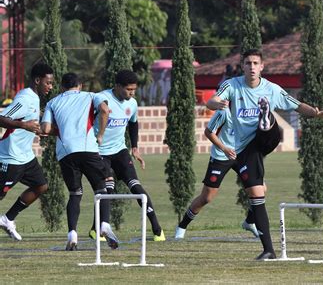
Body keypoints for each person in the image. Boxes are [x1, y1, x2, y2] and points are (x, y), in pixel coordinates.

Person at [206, 49, 323, 260]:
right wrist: (217, 103)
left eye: (255, 63)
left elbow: (296, 105)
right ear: (242, 66)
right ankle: (269, 250)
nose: (251, 67)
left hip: (257, 144)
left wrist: (316, 113)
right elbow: (211, 101)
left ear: (262, 66)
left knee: (268, 128)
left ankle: (267, 119)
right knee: (257, 194)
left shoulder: (272, 89)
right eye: (247, 63)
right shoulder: (231, 85)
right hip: (235, 148)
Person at [41, 72, 119, 251]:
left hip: (65, 153)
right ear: (81, 86)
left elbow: (44, 128)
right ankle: (104, 225)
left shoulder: (53, 102)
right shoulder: (91, 96)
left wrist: (62, 130)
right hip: (87, 149)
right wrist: (100, 135)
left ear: (61, 87)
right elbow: (105, 110)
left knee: (75, 194)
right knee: (104, 186)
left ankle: (72, 235)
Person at [88, 69, 165, 242]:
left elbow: (133, 124)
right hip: (100, 153)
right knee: (107, 190)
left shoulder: (133, 103)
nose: (131, 93)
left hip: (120, 151)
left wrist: (135, 147)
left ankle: (157, 230)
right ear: (117, 86)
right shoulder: (103, 98)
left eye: (134, 90)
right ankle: (99, 231)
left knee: (136, 187)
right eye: (128, 90)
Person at [174, 107, 262, 239]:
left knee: (260, 189)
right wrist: (224, 148)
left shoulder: (251, 109)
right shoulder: (224, 112)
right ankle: (182, 226)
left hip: (242, 155)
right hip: (222, 155)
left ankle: (250, 222)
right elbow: (209, 132)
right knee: (207, 197)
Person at [0, 63, 54, 240]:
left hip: (26, 157)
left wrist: (35, 130)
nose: (50, 87)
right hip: (11, 157)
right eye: (48, 83)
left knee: (41, 185)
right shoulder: (24, 98)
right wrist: (24, 125)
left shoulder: (36, 97)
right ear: (37, 80)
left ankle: (7, 219)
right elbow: (2, 118)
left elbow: (28, 123)